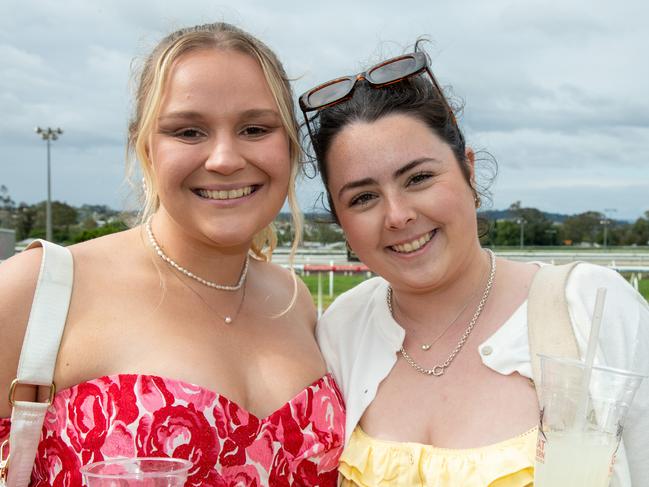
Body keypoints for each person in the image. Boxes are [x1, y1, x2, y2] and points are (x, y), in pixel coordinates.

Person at [0, 22, 344, 486]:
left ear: (290, 147)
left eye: (255, 128)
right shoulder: (37, 289)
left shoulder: (295, 301)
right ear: (145, 146)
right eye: (188, 131)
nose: (224, 158)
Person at [300, 47, 649, 486]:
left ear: (468, 171)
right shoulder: (341, 331)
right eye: (363, 198)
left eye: (419, 178)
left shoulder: (590, 305)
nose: (397, 215)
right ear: (341, 223)